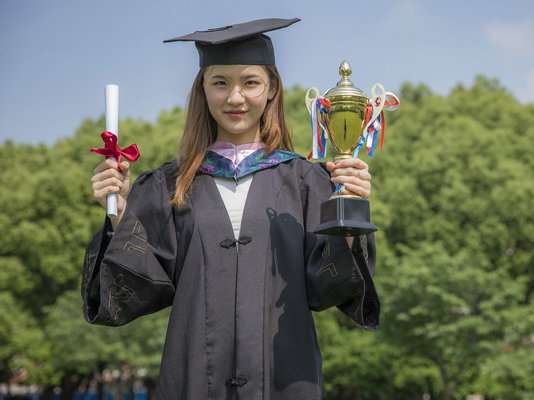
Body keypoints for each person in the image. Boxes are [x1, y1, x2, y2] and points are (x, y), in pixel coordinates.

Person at [82, 18, 380, 400]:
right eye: (220, 82)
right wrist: (119, 213)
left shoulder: (308, 181)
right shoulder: (168, 186)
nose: (235, 98)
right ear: (202, 91)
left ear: (271, 88)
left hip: (285, 378)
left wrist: (349, 215)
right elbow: (136, 289)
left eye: (250, 82)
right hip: (193, 378)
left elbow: (327, 289)